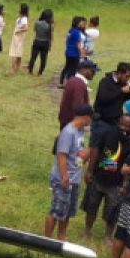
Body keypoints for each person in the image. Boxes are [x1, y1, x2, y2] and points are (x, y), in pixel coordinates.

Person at [45, 103, 95, 241]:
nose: (90, 122)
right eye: (90, 119)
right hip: (64, 178)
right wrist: (65, 175)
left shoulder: (80, 132)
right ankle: (46, 240)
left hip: (75, 178)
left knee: (67, 211)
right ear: (85, 117)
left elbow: (77, 155)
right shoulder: (68, 132)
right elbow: (62, 155)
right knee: (56, 210)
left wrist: (88, 153)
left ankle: (62, 236)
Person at [83, 113, 130, 240]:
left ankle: (108, 237)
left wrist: (124, 185)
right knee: (91, 206)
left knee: (112, 212)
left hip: (116, 183)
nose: (123, 128)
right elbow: (95, 150)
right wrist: (90, 170)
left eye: (127, 127)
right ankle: (87, 231)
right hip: (98, 177)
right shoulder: (107, 133)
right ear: (118, 122)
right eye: (121, 124)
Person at [59, 58, 97, 130]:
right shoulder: (79, 84)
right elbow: (78, 107)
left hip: (68, 121)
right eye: (92, 71)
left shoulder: (73, 80)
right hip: (72, 123)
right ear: (84, 70)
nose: (94, 73)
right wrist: (82, 123)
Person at [94, 62, 130, 127]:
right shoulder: (105, 81)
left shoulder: (124, 83)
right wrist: (121, 91)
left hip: (116, 119)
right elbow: (103, 98)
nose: (128, 79)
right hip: (102, 120)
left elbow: (128, 100)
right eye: (127, 76)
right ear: (119, 73)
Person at [59, 16, 87, 86]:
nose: (83, 24)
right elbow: (78, 45)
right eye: (81, 22)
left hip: (68, 52)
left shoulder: (71, 30)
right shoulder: (77, 32)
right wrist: (82, 54)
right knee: (73, 69)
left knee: (66, 67)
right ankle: (68, 84)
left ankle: (61, 82)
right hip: (74, 54)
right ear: (78, 23)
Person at [28, 9, 53, 76]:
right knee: (43, 58)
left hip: (37, 40)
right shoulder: (49, 25)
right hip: (45, 43)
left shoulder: (37, 23)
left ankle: (30, 70)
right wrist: (50, 45)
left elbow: (35, 30)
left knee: (33, 57)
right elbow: (50, 36)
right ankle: (40, 72)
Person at [8, 3, 29, 74]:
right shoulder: (21, 17)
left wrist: (19, 31)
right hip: (16, 36)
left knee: (15, 52)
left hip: (19, 36)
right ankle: (17, 68)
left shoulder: (24, 19)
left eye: (19, 8)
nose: (18, 9)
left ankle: (13, 69)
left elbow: (26, 28)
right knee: (18, 52)